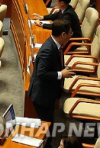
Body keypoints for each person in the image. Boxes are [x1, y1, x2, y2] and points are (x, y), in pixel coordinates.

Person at [28, 19, 75, 148]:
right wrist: (61, 74)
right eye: (71, 32)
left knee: (49, 123)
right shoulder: (48, 50)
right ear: (63, 34)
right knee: (46, 126)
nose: (72, 34)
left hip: (49, 93)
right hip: (42, 95)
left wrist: (62, 69)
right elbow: (41, 74)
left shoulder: (56, 45)